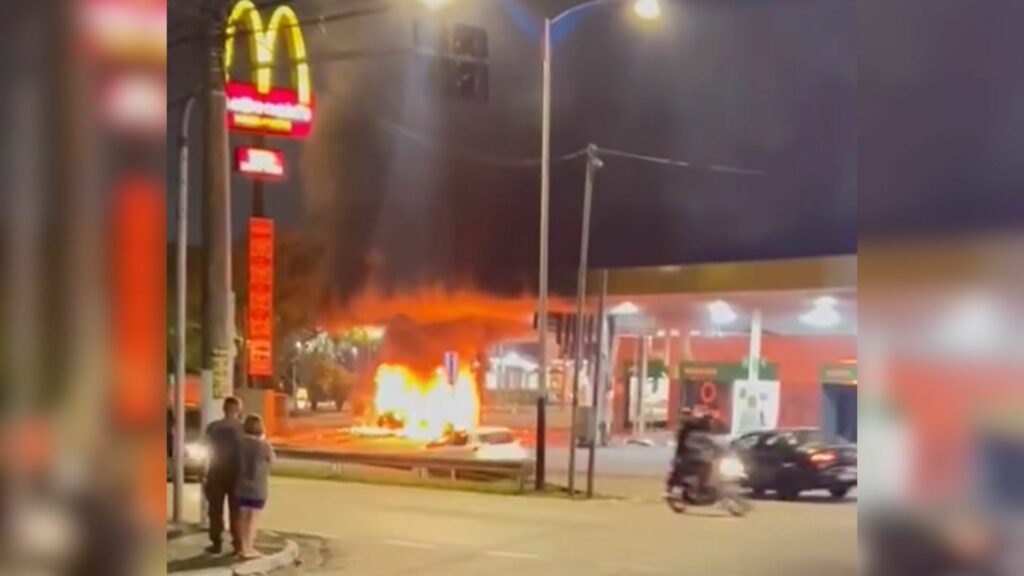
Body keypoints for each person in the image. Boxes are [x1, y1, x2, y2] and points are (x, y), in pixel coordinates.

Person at [203, 396, 245, 554]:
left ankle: (216, 542)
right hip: (236, 473)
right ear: (238, 409)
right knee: (236, 510)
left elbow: (206, 448)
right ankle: (237, 542)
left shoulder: (213, 427)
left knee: (215, 509)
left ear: (224, 408)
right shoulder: (242, 428)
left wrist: (204, 471)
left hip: (215, 471)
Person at [235, 414, 275, 560]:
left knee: (242, 517)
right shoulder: (264, 445)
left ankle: (242, 546)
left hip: (241, 486)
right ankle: (249, 548)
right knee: (253, 518)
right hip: (257, 487)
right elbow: (271, 461)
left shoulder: (239, 444)